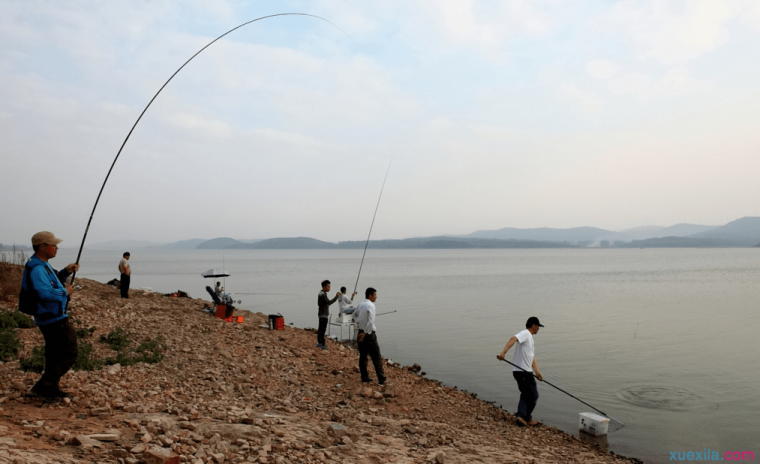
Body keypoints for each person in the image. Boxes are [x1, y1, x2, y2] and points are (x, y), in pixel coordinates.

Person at [21, 231, 79, 399]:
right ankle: (45, 384)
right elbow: (44, 292)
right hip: (51, 318)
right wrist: (65, 292)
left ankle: (49, 386)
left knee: (54, 353)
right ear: (43, 247)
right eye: (53, 245)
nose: (56, 248)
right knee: (69, 351)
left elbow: (52, 281)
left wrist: (66, 272)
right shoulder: (38, 268)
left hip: (49, 316)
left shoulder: (41, 264)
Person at [497, 316, 545, 427]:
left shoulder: (530, 339)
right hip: (522, 371)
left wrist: (537, 372)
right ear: (534, 326)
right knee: (533, 395)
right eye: (538, 326)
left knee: (526, 393)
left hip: (523, 371)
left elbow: (532, 358)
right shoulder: (526, 334)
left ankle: (522, 416)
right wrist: (503, 352)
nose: (538, 329)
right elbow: (513, 338)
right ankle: (524, 417)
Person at [354, 287, 386, 386]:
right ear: (370, 296)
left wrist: (359, 327)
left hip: (360, 332)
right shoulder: (371, 305)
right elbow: (371, 321)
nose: (376, 297)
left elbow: (354, 316)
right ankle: (381, 380)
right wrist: (366, 332)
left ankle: (364, 378)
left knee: (363, 356)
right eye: (375, 295)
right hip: (369, 335)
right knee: (376, 357)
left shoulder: (360, 304)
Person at [317, 280, 340, 350]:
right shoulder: (323, 295)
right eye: (328, 287)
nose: (329, 288)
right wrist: (336, 297)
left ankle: (319, 343)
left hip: (321, 314)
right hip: (323, 315)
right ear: (324, 287)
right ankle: (322, 344)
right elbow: (329, 302)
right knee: (322, 330)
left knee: (320, 329)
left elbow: (325, 303)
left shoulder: (321, 293)